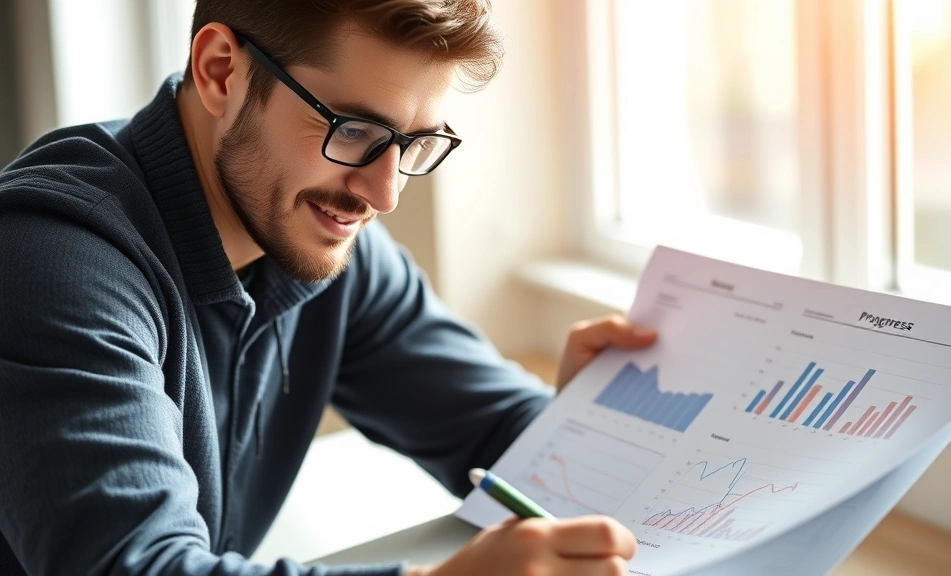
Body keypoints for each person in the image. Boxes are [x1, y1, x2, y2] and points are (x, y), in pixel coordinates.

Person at [0, 1, 658, 574]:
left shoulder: (323, 240)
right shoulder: (50, 260)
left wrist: (579, 427)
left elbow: (501, 430)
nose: (385, 193)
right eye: (355, 131)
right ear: (221, 70)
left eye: (414, 143)